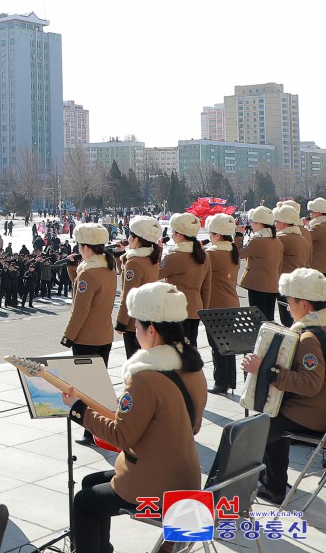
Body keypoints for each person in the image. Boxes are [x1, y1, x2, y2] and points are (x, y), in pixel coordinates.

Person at [62, 282, 207, 553]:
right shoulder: (192, 365)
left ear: (151, 330)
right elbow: (193, 425)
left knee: (83, 502)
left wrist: (79, 410)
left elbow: (121, 436)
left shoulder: (144, 379)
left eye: (137, 327)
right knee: (91, 482)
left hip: (157, 485)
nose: (135, 332)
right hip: (183, 475)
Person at [243, 268, 326, 504]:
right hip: (317, 410)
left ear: (306, 304)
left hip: (315, 415)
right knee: (270, 420)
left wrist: (266, 371)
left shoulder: (309, 338)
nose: (287, 307)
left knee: (256, 429)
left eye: (290, 302)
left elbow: (310, 384)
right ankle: (274, 482)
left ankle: (271, 485)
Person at [62, 223, 117, 446]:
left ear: (85, 247)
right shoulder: (108, 267)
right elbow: (85, 291)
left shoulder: (88, 273)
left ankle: (89, 432)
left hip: (86, 337)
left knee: (86, 388)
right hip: (104, 334)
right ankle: (102, 429)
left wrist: (68, 335)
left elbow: (80, 309)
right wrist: (73, 270)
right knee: (100, 385)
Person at [158, 213, 211, 347]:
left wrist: (158, 251)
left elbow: (156, 274)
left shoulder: (174, 257)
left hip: (176, 310)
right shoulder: (203, 256)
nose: (172, 236)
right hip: (195, 309)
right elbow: (206, 287)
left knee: (176, 351)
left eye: (174, 233)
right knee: (191, 348)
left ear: (180, 235)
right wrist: (203, 309)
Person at [204, 214, 242, 394]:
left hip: (216, 305)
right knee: (228, 346)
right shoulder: (231, 250)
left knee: (217, 346)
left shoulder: (212, 254)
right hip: (231, 302)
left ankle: (220, 382)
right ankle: (229, 382)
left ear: (218, 235)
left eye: (211, 234)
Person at [114, 216, 162, 358]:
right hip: (150, 317)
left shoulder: (134, 262)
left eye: (130, 236)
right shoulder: (152, 257)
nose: (128, 239)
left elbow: (128, 294)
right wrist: (121, 254)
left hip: (134, 322)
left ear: (137, 239)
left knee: (135, 362)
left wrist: (121, 322)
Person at [237, 206, 284, 322]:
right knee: (269, 319)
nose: (251, 225)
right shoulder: (277, 241)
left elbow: (239, 254)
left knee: (258, 320)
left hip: (258, 285)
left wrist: (238, 236)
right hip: (273, 285)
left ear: (260, 224)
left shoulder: (256, 240)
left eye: (253, 222)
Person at [274, 204, 311, 327]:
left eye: (277, 221)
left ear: (284, 223)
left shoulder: (281, 239)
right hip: (300, 283)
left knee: (287, 320)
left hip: (285, 284)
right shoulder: (303, 239)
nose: (275, 224)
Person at [306, 197, 326, 273]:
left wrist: (302, 226)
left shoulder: (318, 227)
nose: (310, 214)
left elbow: (305, 238)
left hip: (319, 268)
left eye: (312, 212)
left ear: (318, 213)